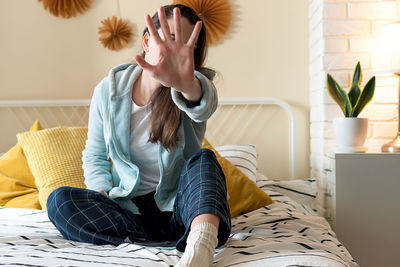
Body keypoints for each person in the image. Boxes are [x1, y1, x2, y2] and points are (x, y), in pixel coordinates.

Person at [47, 4, 231, 267]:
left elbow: (203, 106)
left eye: (186, 47)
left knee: (204, 159)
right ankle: (146, 242)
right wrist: (101, 194)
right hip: (129, 213)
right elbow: (95, 154)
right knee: (59, 200)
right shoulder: (108, 90)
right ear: (147, 40)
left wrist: (184, 83)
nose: (175, 51)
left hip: (182, 210)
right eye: (170, 40)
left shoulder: (194, 86)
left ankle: (200, 245)